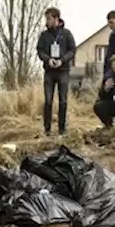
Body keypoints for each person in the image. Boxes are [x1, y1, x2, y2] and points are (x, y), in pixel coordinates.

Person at [36, 7, 76, 136]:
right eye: (46, 19)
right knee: (48, 100)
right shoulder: (44, 35)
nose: (46, 21)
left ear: (56, 18)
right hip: (49, 72)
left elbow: (72, 50)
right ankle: (47, 129)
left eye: (48, 19)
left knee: (63, 101)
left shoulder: (66, 34)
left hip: (63, 70)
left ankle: (62, 129)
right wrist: (48, 59)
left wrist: (62, 60)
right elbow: (40, 50)